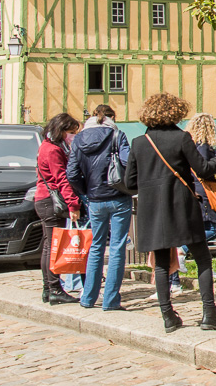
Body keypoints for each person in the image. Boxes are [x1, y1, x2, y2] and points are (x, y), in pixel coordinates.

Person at [124, 93, 216, 333]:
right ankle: (209, 313)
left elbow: (130, 182)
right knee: (202, 257)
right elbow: (202, 169)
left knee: (161, 263)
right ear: (175, 113)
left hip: (152, 209)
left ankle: (168, 315)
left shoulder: (139, 143)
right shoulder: (182, 138)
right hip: (182, 205)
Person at [66, 104, 131, 311]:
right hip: (118, 195)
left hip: (94, 199)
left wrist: (85, 191)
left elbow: (72, 172)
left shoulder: (78, 139)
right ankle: (111, 300)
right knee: (117, 247)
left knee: (95, 247)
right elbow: (127, 161)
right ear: (112, 117)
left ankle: (88, 298)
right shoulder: (117, 135)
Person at [173, 112, 216, 291]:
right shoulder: (203, 146)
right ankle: (182, 250)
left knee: (199, 229)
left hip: (192, 192)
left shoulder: (188, 144)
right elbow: (204, 169)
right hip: (203, 192)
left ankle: (205, 268)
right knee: (212, 228)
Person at [35, 113, 82, 305]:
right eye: (70, 132)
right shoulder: (53, 150)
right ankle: (54, 288)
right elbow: (61, 178)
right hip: (51, 201)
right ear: (61, 130)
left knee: (49, 246)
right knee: (53, 247)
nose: (72, 136)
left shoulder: (45, 146)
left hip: (43, 199)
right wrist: (73, 204)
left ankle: (49, 288)